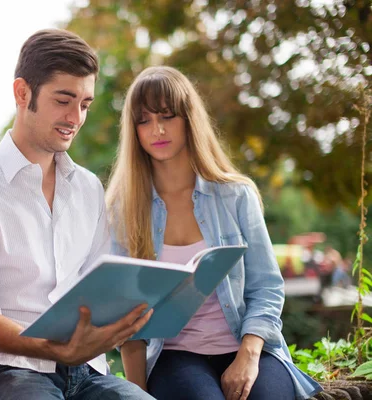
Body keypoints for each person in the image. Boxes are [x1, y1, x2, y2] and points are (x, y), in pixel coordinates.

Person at [0, 29, 154, 400]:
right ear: (22, 93)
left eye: (85, 104)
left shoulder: (88, 188)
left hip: (88, 373)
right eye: (63, 100)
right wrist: (57, 350)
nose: (76, 117)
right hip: (7, 371)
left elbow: (99, 289)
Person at [105, 66, 322, 400]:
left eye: (168, 115)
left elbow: (266, 286)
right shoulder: (123, 208)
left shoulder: (236, 195)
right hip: (175, 356)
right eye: (144, 120)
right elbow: (126, 316)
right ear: (133, 130)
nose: (157, 129)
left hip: (247, 347)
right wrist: (138, 390)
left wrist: (248, 357)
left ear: (189, 119)